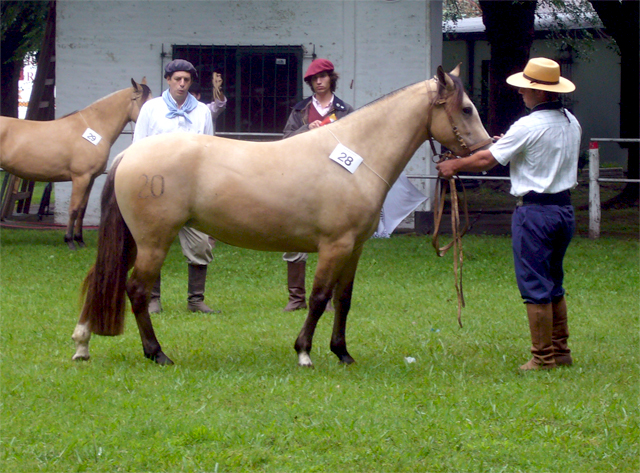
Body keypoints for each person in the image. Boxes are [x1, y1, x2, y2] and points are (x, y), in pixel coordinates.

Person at [436, 57, 581, 371]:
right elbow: (540, 152)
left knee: (535, 285)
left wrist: (454, 165)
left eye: (527, 89)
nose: (521, 93)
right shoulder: (570, 120)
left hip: (536, 213)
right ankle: (560, 350)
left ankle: (542, 358)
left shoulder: (528, 125)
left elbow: (486, 160)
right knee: (554, 280)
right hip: (564, 210)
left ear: (540, 93)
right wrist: (511, 146)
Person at [133, 59, 220, 314]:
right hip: (157, 187)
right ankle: (152, 299)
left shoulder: (202, 111)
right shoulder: (151, 109)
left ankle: (195, 300)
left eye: (187, 80)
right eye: (177, 79)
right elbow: (138, 146)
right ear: (168, 80)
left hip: (192, 189)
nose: (182, 84)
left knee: (201, 243)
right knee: (153, 242)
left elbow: (209, 148)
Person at [281, 58, 355, 311]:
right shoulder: (299, 110)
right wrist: (305, 129)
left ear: (331, 78)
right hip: (302, 180)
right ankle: (296, 298)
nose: (319, 82)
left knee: (337, 240)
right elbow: (285, 141)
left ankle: (332, 297)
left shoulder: (346, 110)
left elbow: (357, 146)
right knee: (294, 235)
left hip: (336, 183)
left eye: (322, 77)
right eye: (314, 79)